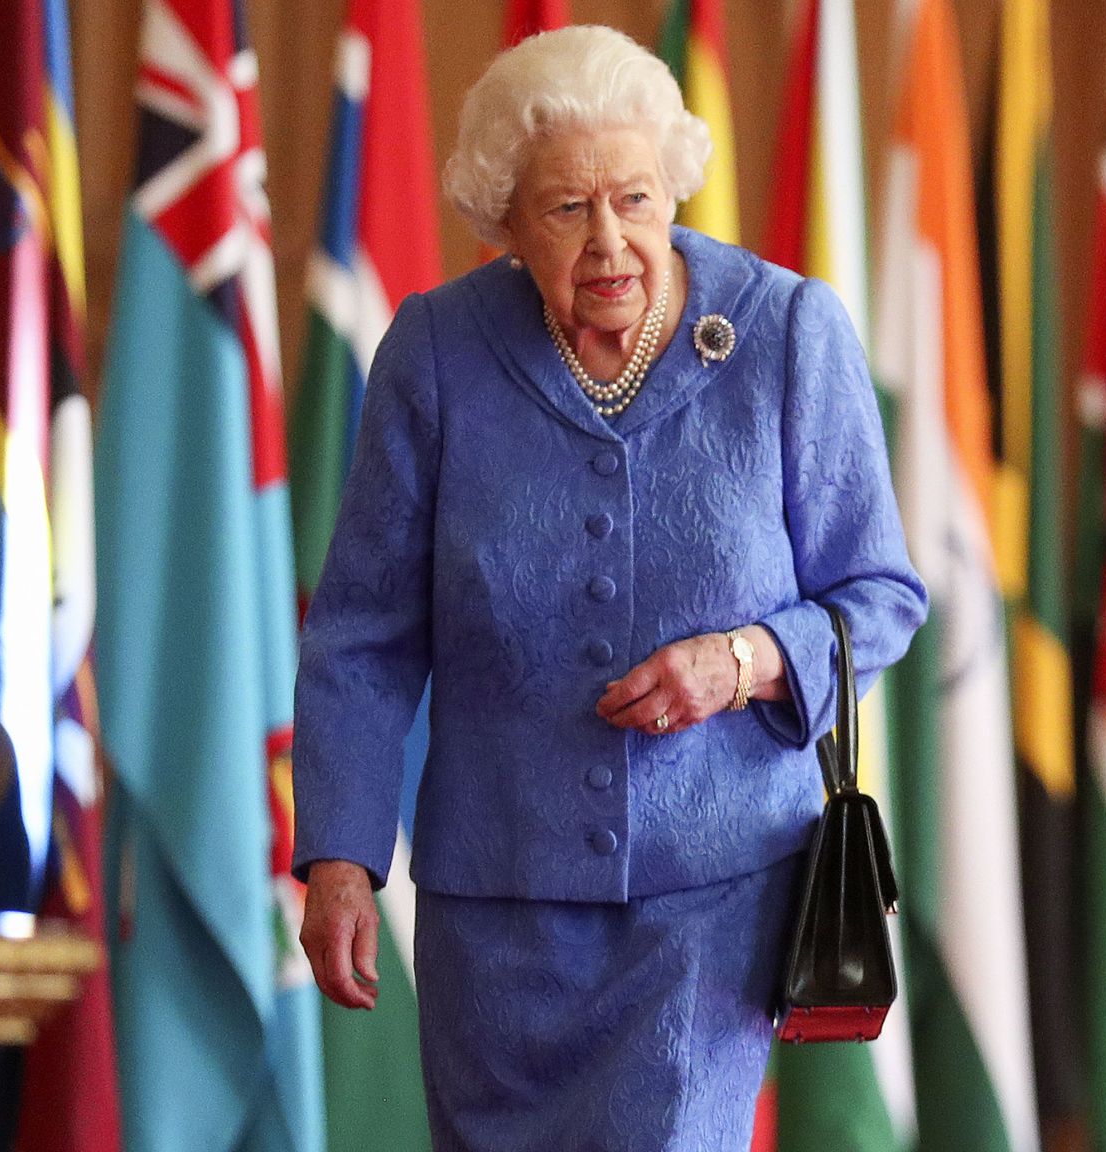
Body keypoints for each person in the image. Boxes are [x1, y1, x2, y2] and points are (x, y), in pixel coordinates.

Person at [292, 24, 925, 1151]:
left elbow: (877, 596)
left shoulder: (786, 334)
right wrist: (339, 858)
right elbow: (363, 634)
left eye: (633, 200)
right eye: (564, 210)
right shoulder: (434, 351)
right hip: (495, 909)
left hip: (711, 899)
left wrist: (739, 663)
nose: (607, 244)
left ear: (673, 188)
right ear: (501, 217)